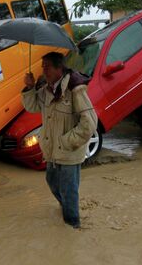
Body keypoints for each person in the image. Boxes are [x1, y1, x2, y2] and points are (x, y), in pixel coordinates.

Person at [21, 51, 98, 229]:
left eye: (47, 66)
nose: (43, 70)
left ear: (59, 68)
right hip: (53, 150)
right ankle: (67, 209)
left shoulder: (75, 89)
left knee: (68, 190)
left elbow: (90, 123)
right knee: (52, 181)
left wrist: (67, 142)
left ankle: (73, 227)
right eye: (43, 66)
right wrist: (29, 87)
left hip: (68, 151)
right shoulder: (47, 90)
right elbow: (32, 107)